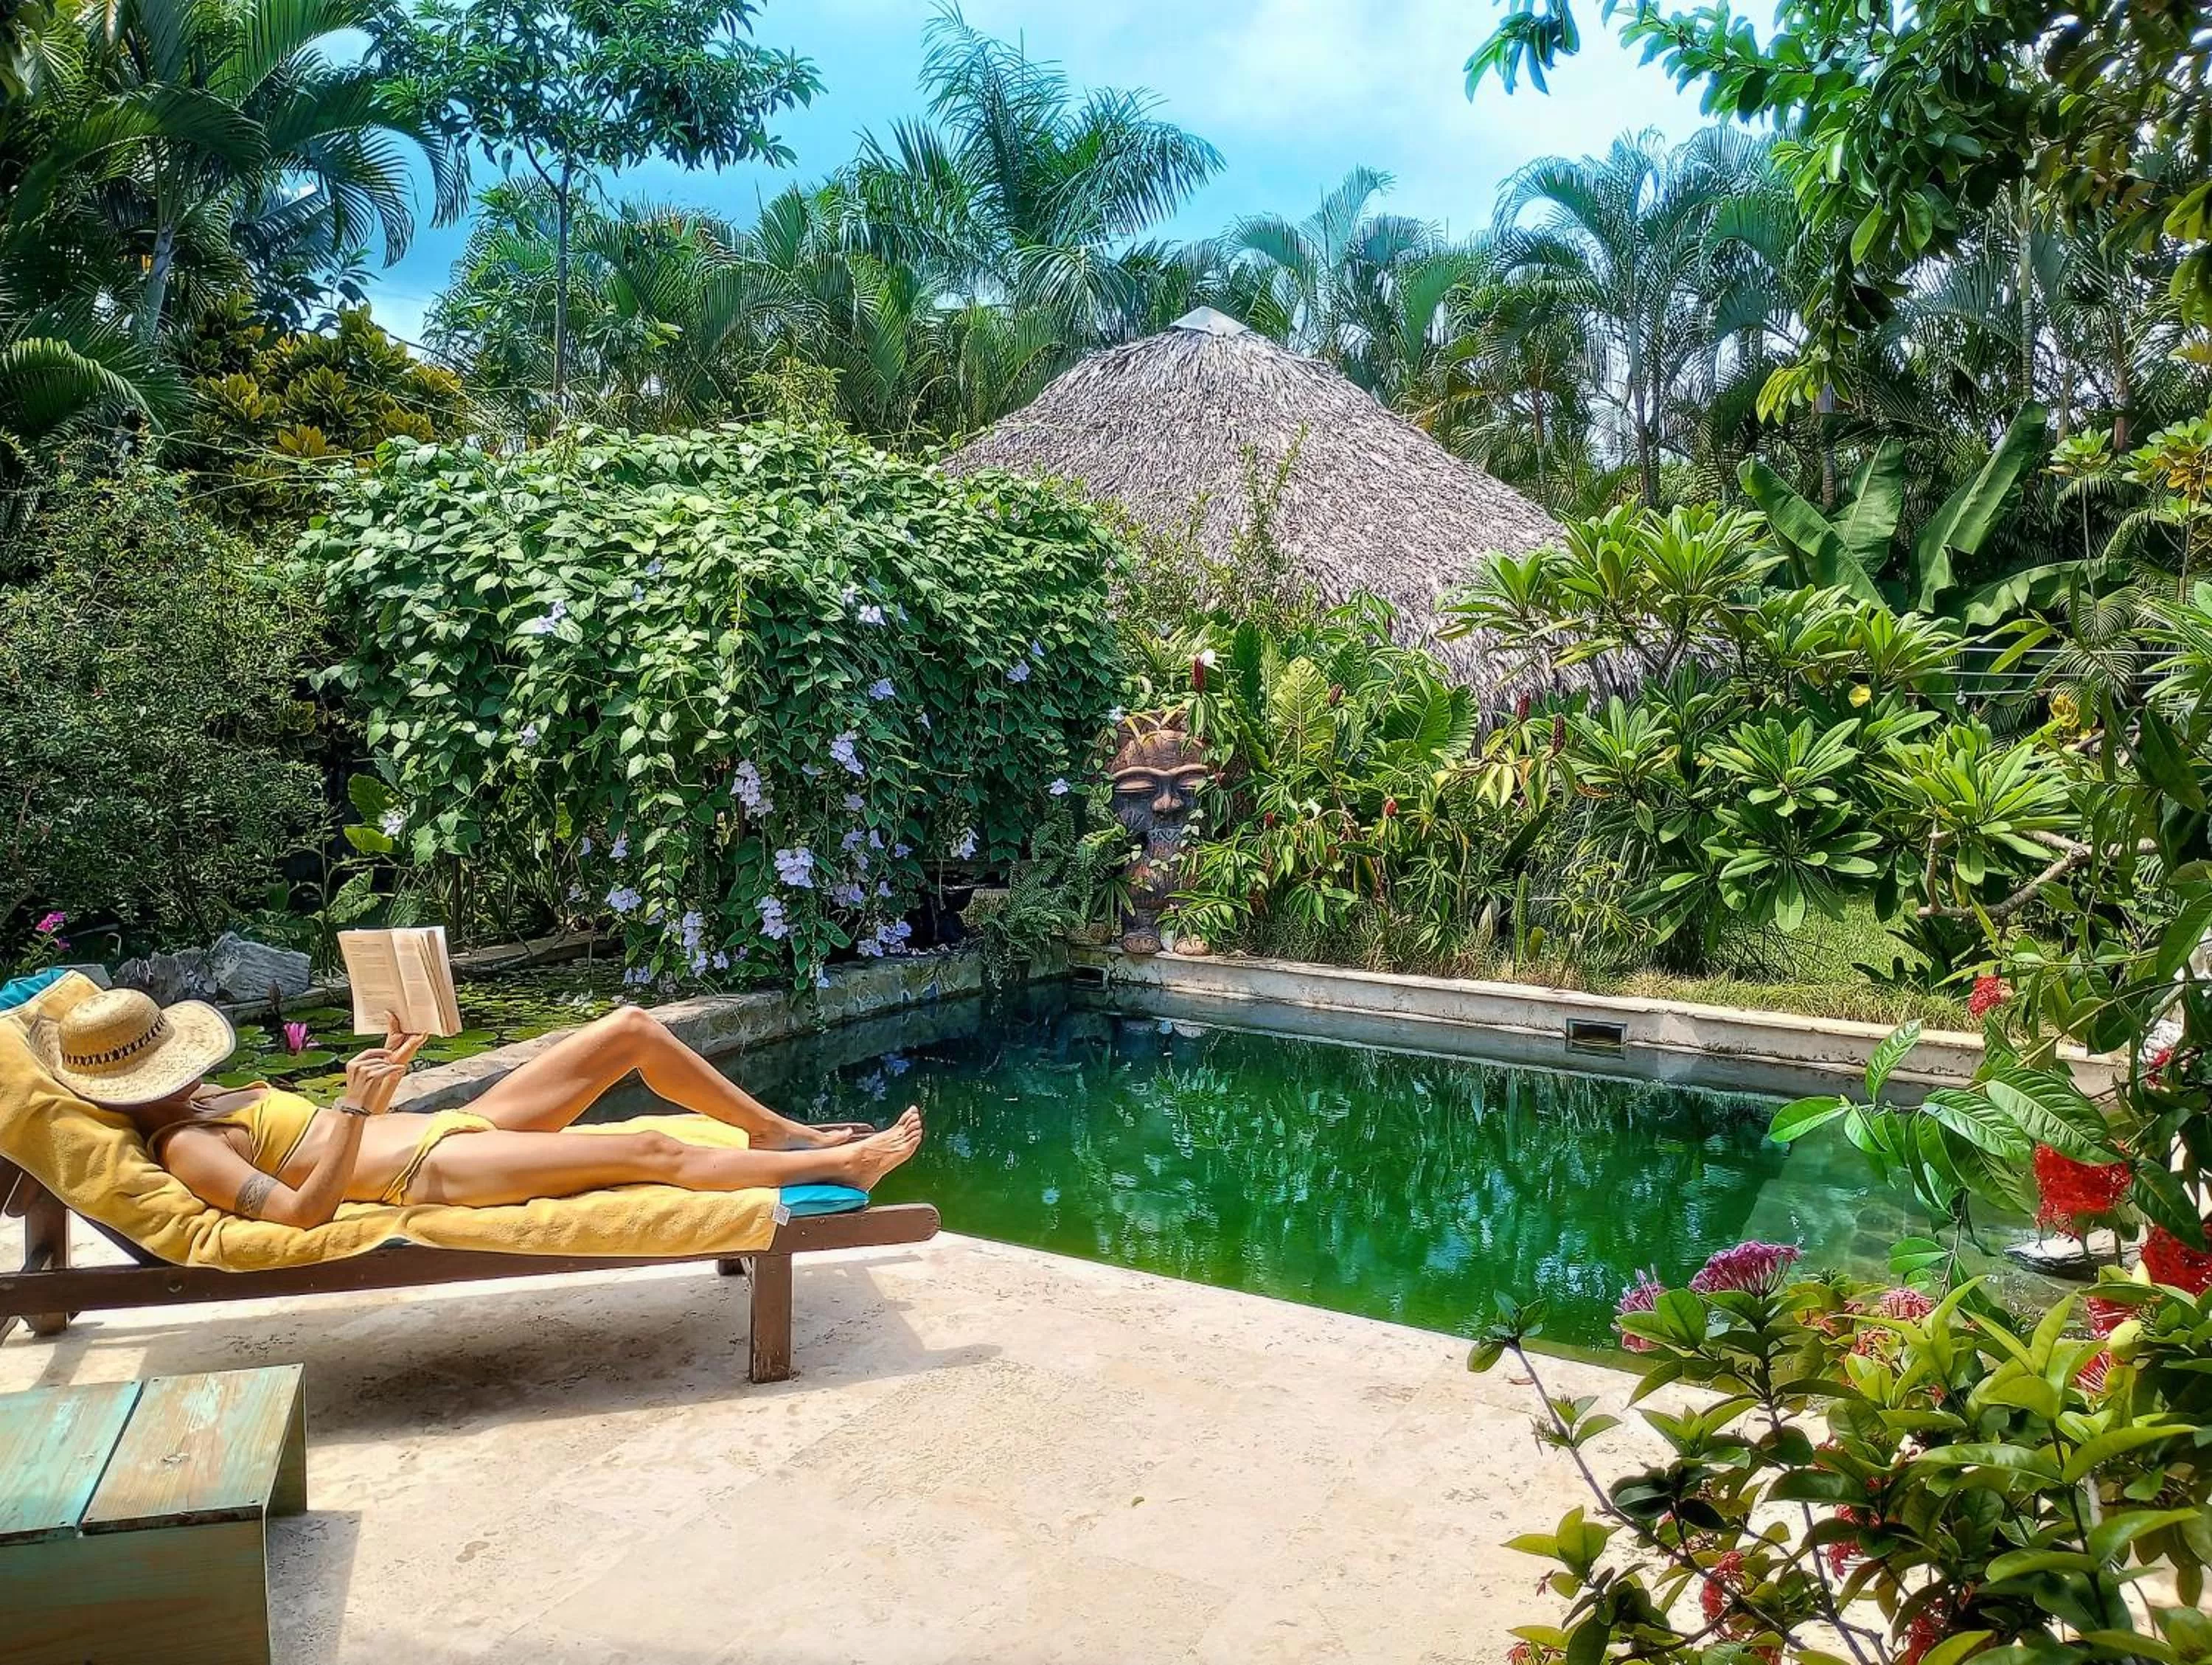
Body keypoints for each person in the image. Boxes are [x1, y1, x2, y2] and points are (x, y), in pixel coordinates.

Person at [30, 987, 923, 1228]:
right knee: (648, 1145)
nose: (184, 1076)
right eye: (166, 1071)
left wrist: (378, 1081)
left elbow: (327, 1132)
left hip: (457, 1130)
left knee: (632, 1030)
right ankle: (839, 1160)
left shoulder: (211, 1096)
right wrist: (349, 1110)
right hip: (436, 1170)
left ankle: (769, 1128)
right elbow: (304, 1210)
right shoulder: (191, 1147)